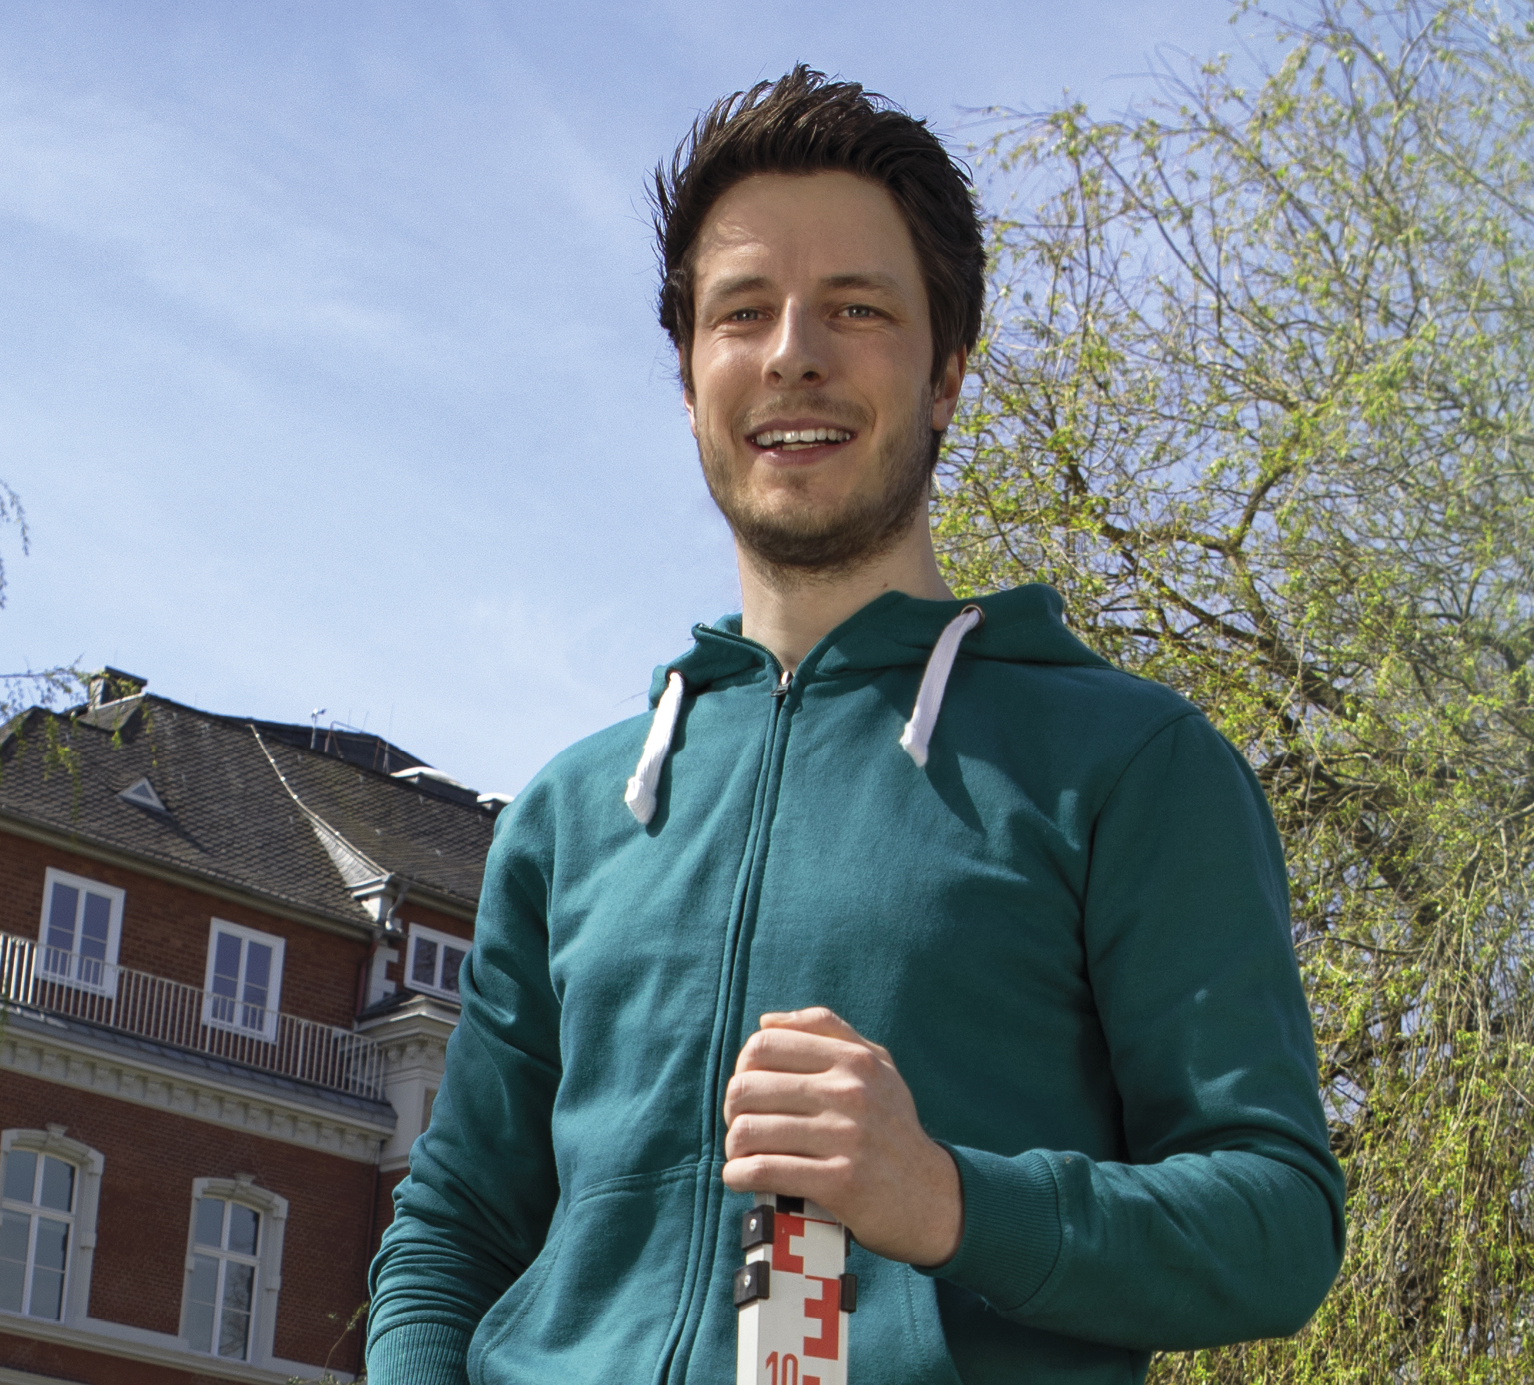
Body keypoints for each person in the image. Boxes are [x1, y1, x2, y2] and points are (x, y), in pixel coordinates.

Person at [364, 68, 1345, 1383]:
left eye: (856, 309)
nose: (792, 354)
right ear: (690, 375)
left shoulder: (1129, 766)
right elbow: (452, 1228)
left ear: (946, 374)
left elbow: (1275, 1223)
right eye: (743, 312)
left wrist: (943, 1198)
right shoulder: (572, 811)